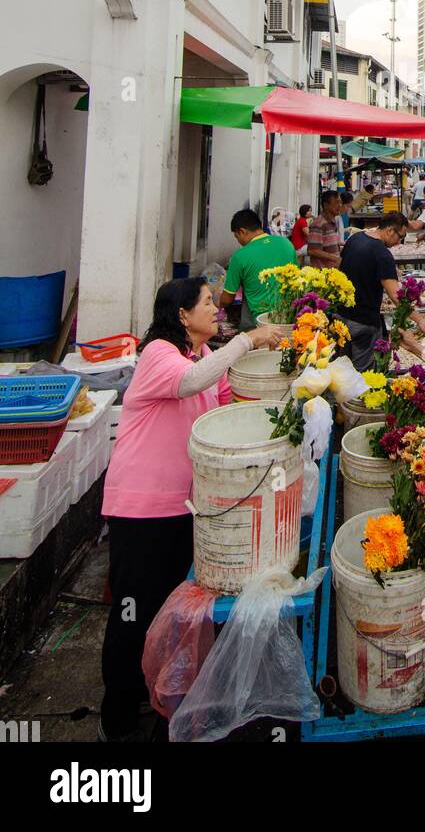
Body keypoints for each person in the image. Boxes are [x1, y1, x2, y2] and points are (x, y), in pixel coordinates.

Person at [100, 278, 281, 740]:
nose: (216, 309)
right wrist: (245, 340)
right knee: (132, 615)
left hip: (185, 507)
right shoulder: (161, 354)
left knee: (171, 613)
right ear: (182, 315)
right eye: (207, 302)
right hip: (142, 510)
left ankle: (158, 696)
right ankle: (118, 720)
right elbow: (188, 385)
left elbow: (226, 410)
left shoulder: (201, 358)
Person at [338, 212, 425, 369]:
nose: (399, 242)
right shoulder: (382, 254)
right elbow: (396, 296)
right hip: (364, 322)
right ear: (389, 230)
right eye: (400, 237)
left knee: (342, 368)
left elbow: (339, 268)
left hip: (341, 317)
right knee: (363, 373)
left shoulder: (355, 239)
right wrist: (420, 320)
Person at [220, 208, 297, 330]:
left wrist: (211, 303)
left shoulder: (240, 256)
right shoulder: (286, 244)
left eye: (236, 237)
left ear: (242, 231)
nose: (238, 241)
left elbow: (227, 299)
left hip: (258, 323)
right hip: (289, 318)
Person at [306, 190, 343, 268]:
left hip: (333, 273)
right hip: (322, 275)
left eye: (340, 202)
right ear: (326, 205)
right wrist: (335, 258)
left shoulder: (332, 222)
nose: (340, 205)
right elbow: (312, 250)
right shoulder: (319, 224)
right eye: (336, 202)